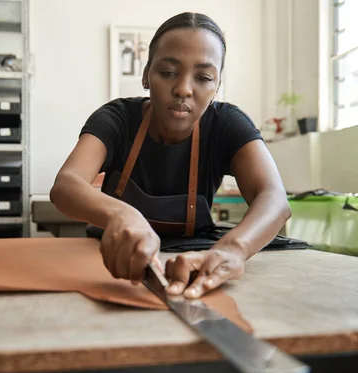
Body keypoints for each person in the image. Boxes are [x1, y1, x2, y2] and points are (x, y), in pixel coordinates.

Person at [49, 12, 290, 299]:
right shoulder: (117, 119)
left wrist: (234, 249)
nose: (183, 89)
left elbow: (275, 199)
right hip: (111, 262)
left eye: (203, 77)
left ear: (217, 85)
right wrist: (121, 215)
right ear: (146, 75)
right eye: (168, 72)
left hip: (193, 262)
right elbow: (66, 185)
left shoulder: (227, 124)